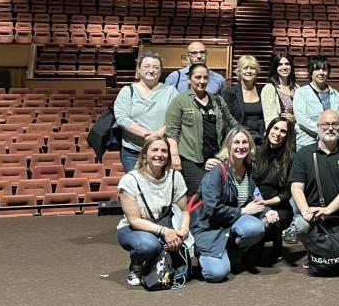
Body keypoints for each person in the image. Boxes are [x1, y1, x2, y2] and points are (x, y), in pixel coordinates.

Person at [190, 127, 277, 283]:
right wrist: (243, 211)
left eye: (245, 142)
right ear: (228, 146)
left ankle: (231, 254)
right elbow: (212, 209)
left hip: (231, 223)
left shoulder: (250, 168)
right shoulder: (217, 170)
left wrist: (267, 211)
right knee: (216, 274)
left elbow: (254, 197)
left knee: (257, 227)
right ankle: (204, 250)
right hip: (211, 227)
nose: (241, 146)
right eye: (236, 142)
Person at [116, 135, 190, 286]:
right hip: (134, 229)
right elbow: (134, 220)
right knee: (149, 245)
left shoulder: (175, 177)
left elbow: (184, 211)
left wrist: (183, 231)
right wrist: (164, 232)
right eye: (154, 150)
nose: (159, 154)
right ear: (145, 154)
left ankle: (152, 265)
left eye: (164, 151)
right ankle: (136, 265)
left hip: (166, 227)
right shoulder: (130, 180)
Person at [288, 109, 339, 258]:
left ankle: (323, 253)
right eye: (326, 124)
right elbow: (296, 187)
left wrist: (328, 210)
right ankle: (315, 253)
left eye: (335, 124)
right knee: (301, 226)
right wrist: (306, 211)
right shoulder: (303, 154)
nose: (330, 128)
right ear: (318, 127)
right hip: (314, 217)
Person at [164, 62, 233, 197]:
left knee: (217, 193)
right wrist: (174, 156)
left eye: (205, 78)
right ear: (189, 79)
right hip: (191, 159)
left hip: (215, 157)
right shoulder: (180, 101)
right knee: (200, 193)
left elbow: (231, 122)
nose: (202, 81)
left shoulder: (217, 100)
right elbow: (172, 131)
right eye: (198, 77)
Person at [113, 52, 178, 173]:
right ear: (138, 69)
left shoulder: (171, 92)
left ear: (161, 70)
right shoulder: (127, 91)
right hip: (133, 152)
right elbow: (122, 118)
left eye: (156, 67)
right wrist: (147, 134)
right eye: (146, 66)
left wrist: (159, 133)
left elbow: (176, 118)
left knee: (161, 183)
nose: (151, 70)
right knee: (137, 184)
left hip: (162, 151)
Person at [253, 117, 296, 264]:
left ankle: (274, 241)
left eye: (283, 131)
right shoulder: (255, 152)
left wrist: (265, 204)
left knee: (265, 224)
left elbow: (286, 194)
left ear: (287, 136)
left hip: (280, 208)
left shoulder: (291, 158)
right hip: (255, 204)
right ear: (269, 129)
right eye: (275, 128)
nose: (278, 133)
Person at [293, 55, 339, 149]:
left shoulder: (335, 93)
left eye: (324, 69)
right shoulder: (301, 92)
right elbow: (301, 118)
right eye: (317, 69)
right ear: (310, 73)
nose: (321, 73)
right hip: (307, 142)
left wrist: (336, 131)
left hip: (333, 141)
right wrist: (323, 131)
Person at [223, 54, 266, 140]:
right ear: (239, 71)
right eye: (245, 68)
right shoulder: (230, 92)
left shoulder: (263, 91)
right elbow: (226, 119)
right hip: (239, 137)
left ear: (256, 71)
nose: (249, 71)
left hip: (261, 137)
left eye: (252, 68)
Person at [260, 52, 297, 130]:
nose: (284, 67)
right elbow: (269, 119)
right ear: (275, 68)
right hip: (279, 132)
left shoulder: (297, 88)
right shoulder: (269, 89)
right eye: (280, 64)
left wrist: (295, 118)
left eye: (287, 64)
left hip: (297, 131)